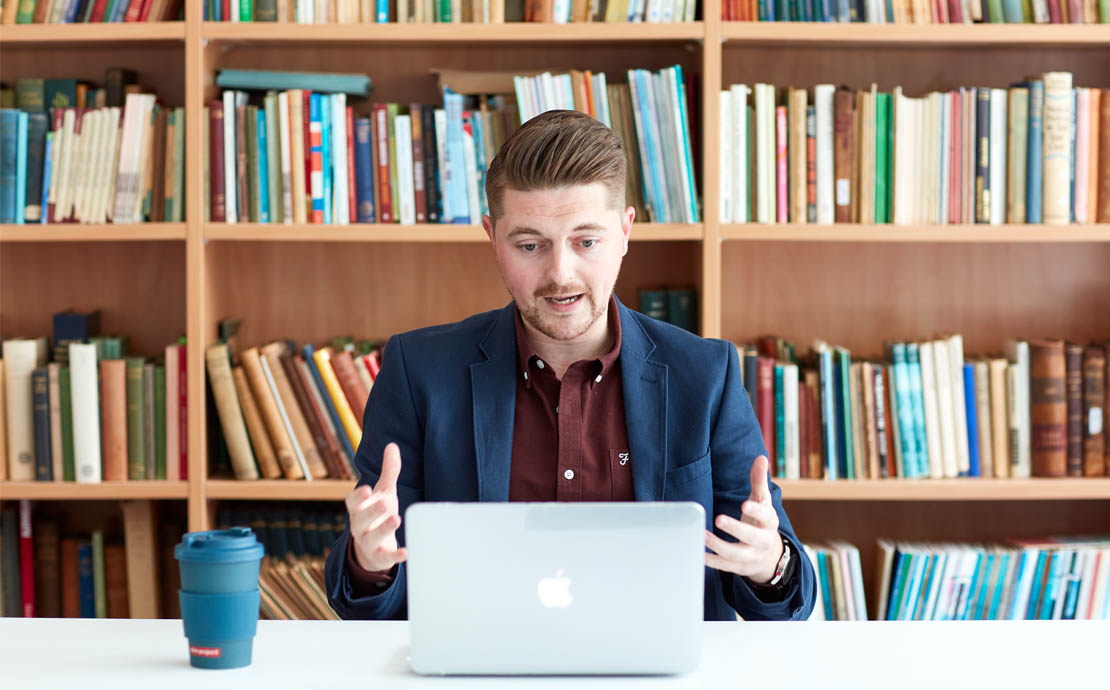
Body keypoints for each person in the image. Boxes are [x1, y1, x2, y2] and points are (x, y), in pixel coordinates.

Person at [324, 109, 816, 622]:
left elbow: (785, 603)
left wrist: (769, 564)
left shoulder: (705, 374)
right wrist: (369, 563)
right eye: (531, 245)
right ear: (493, 238)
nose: (560, 273)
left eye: (586, 242)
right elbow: (364, 602)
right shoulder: (417, 370)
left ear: (625, 232)